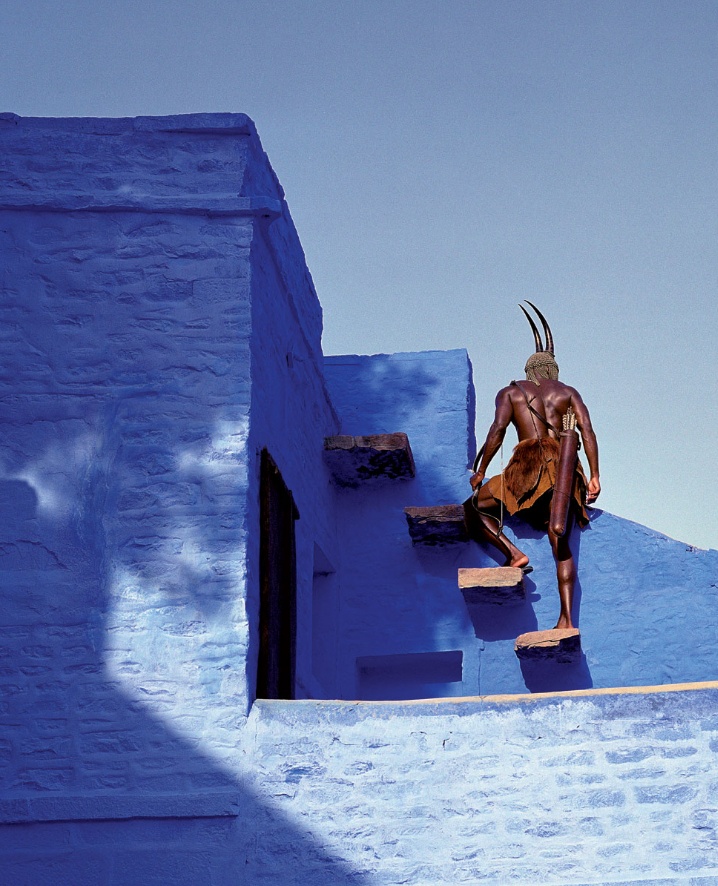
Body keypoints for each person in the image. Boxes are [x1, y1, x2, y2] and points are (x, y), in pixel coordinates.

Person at [464, 302, 600, 630]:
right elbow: (587, 431)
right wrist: (595, 475)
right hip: (565, 471)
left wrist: (481, 470)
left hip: (525, 471)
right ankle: (566, 620)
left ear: (529, 372)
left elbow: (496, 433)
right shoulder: (568, 393)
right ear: (551, 371)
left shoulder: (511, 392)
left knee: (473, 508)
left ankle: (512, 553)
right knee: (561, 541)